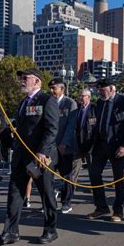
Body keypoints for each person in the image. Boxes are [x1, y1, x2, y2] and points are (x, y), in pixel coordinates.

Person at [0, 67, 60, 246]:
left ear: (37, 81)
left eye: (25, 78)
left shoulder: (47, 100)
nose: (22, 80)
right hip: (21, 157)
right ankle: (10, 232)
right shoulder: (23, 103)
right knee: (14, 195)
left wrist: (42, 152)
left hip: (40, 158)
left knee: (46, 194)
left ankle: (50, 229)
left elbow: (52, 128)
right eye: (21, 78)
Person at [86, 78, 124, 222]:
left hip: (117, 146)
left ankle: (118, 211)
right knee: (94, 174)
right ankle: (101, 207)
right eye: (99, 90)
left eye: (103, 90)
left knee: (118, 179)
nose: (100, 92)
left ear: (112, 89)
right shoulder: (100, 102)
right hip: (100, 145)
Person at [48, 78, 78, 214]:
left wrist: (64, 143)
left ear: (62, 89)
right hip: (50, 147)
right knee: (47, 175)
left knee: (66, 176)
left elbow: (71, 126)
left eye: (54, 88)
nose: (51, 91)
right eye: (50, 88)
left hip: (64, 147)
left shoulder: (70, 103)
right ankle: (49, 203)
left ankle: (66, 202)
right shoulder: (48, 102)